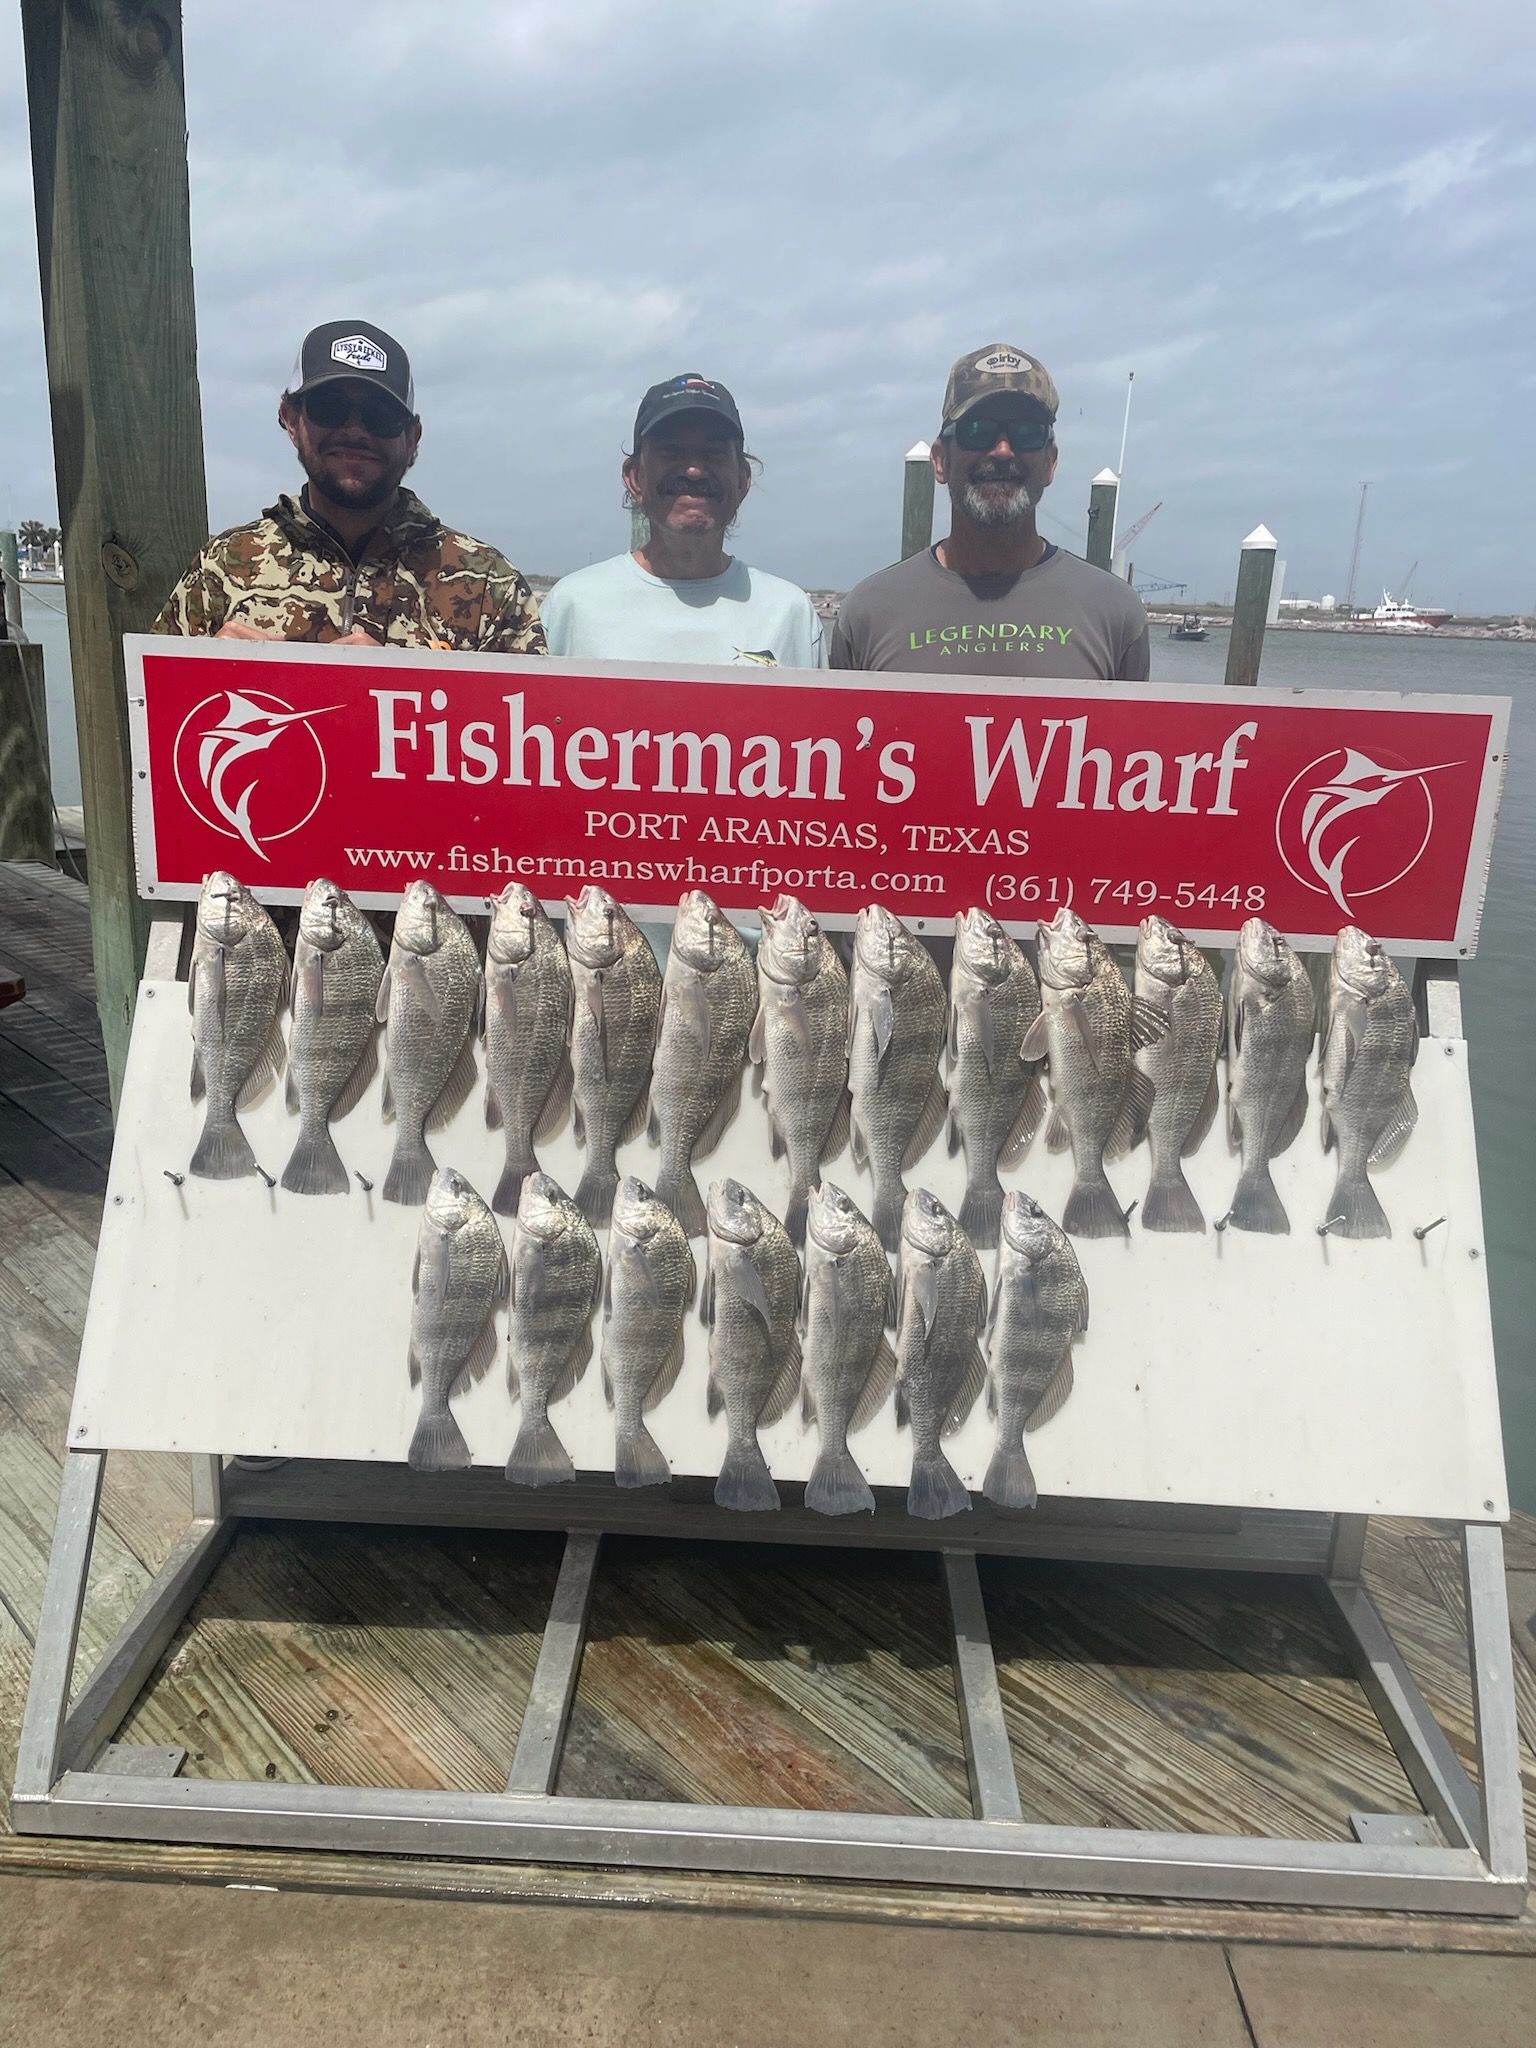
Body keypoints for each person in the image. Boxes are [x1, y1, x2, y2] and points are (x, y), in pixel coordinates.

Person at [156, 319, 544, 653]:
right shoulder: (223, 567)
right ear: (290, 419)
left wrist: (416, 682)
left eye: (381, 415)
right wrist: (202, 672)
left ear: (412, 437)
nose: (355, 430)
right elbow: (143, 716)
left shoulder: (488, 584)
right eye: (330, 407)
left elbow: (534, 727)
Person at [831, 343, 1148, 681]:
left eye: (1026, 432)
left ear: (1050, 463)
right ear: (940, 460)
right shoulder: (866, 615)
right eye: (977, 430)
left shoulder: (1117, 616)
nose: (1001, 451)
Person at [540, 374, 823, 668]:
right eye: (670, 451)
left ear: (742, 480)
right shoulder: (571, 606)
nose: (693, 471)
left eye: (713, 453)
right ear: (635, 478)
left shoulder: (791, 615)